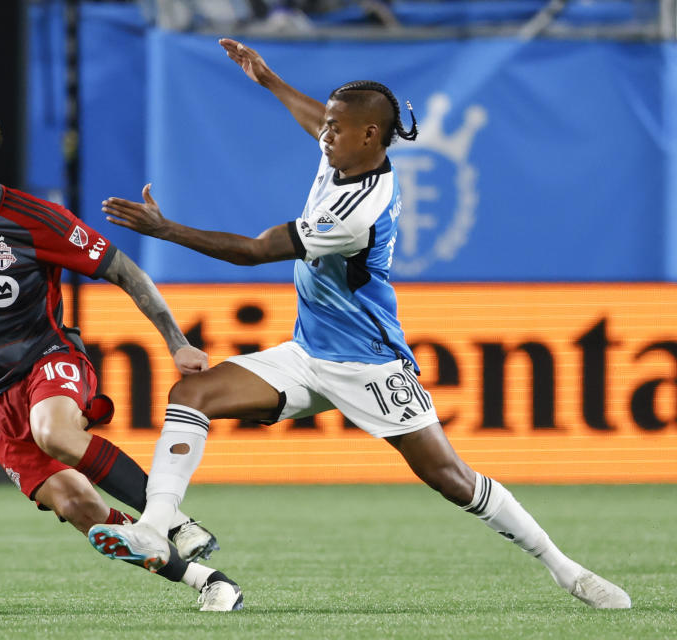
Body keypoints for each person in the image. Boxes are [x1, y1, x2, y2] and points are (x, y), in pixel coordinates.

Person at [88, 39, 631, 610]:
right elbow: (315, 122)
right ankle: (154, 528)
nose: (323, 135)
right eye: (325, 125)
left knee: (451, 478)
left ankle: (568, 571)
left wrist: (167, 230)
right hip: (307, 355)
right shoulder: (347, 154)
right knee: (192, 394)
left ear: (369, 135)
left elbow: (252, 251)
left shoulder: (357, 213)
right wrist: (269, 79)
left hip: (368, 365)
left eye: (334, 127)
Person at [0, 104, 241, 612]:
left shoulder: (35, 219)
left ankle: (176, 523)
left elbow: (125, 271)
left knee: (53, 430)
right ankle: (209, 581)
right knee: (81, 508)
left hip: (48, 358)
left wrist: (175, 341)